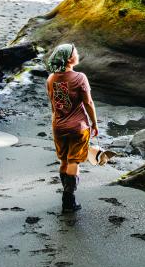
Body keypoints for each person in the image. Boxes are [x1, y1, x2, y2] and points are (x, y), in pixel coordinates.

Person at [45, 43, 113, 212]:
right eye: (76, 52)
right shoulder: (80, 77)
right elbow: (88, 102)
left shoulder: (51, 79)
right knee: (74, 161)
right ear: (69, 59)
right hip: (78, 127)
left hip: (58, 127)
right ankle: (69, 200)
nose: (78, 54)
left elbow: (54, 106)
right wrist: (95, 123)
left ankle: (66, 195)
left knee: (64, 160)